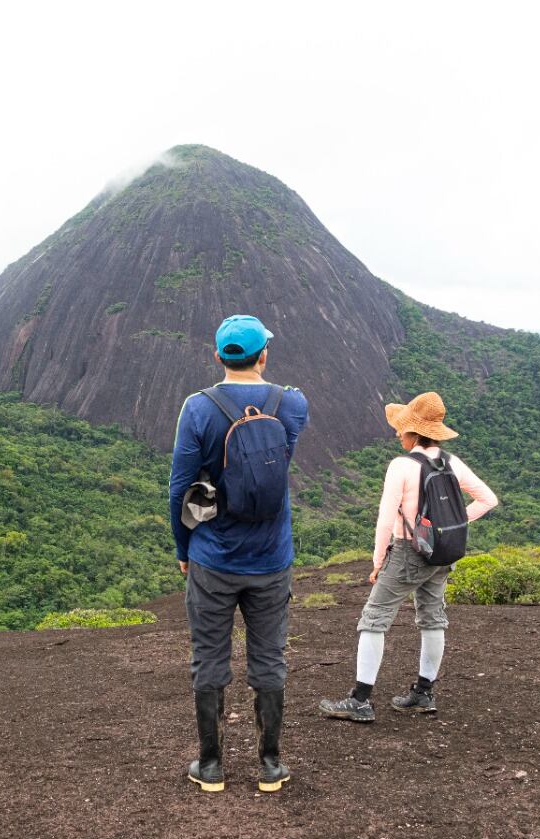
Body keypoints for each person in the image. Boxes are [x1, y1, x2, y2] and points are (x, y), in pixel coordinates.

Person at [169, 315, 309, 793]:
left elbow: (179, 488)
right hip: (271, 558)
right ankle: (271, 764)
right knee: (269, 657)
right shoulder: (291, 403)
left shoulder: (198, 408)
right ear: (263, 355)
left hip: (212, 557)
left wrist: (184, 547)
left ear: (218, 356)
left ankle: (211, 766)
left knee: (209, 657)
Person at [319, 391, 497, 722]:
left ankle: (360, 700)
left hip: (408, 551)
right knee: (432, 617)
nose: (398, 434)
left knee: (374, 618)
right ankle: (423, 694)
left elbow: (385, 520)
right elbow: (488, 499)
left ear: (413, 433)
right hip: (442, 553)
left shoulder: (401, 465)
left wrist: (378, 561)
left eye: (401, 429)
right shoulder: (450, 461)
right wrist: (447, 527)